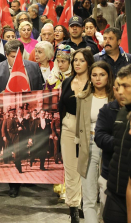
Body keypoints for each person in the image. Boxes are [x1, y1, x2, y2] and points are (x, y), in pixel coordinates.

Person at [74, 61, 114, 223]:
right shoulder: (83, 98)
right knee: (89, 195)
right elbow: (78, 127)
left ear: (108, 77)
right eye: (94, 75)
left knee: (106, 192)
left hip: (109, 148)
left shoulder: (115, 99)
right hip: (88, 146)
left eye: (102, 75)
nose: (98, 79)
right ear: (90, 77)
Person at [59, 48, 95, 223]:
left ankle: (86, 204)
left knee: (87, 169)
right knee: (71, 170)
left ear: (89, 62)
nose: (77, 63)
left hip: (89, 128)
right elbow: (61, 107)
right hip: (68, 126)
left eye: (81, 60)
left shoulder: (94, 82)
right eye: (75, 60)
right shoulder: (67, 82)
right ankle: (73, 208)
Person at [101, 64, 131, 223]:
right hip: (114, 191)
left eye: (125, 86)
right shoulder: (122, 112)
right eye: (118, 86)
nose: (119, 91)